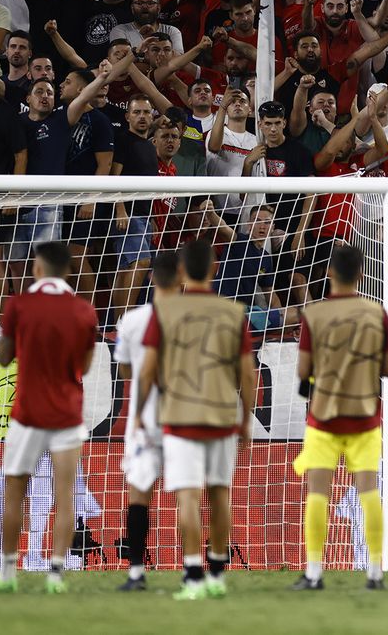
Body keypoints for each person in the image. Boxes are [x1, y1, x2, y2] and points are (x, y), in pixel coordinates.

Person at [135, 239, 258, 601]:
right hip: (221, 414)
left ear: (183, 271)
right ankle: (217, 573)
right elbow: (247, 374)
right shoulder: (233, 313)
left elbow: (147, 371)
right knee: (221, 495)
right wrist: (246, 419)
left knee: (187, 498)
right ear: (215, 269)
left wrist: (143, 412)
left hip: (180, 415)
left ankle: (192, 575)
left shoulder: (165, 311)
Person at [0, 241, 98, 595]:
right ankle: (56, 574)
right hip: (66, 415)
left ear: (37, 269)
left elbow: (3, 359)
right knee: (65, 496)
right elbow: (87, 365)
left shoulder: (19, 305)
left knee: (14, 493)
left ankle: (6, 573)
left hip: (28, 415)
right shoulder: (83, 311)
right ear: (68, 271)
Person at [290, 243, 388, 591]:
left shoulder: (314, 314)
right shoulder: (376, 314)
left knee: (318, 493)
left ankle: (314, 572)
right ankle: (376, 572)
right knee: (368, 492)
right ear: (362, 274)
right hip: (365, 415)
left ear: (329, 272)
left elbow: (303, 370)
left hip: (324, 416)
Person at [112, 250, 179, 591]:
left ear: (151, 277)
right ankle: (195, 572)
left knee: (139, 494)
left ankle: (136, 572)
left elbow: (125, 369)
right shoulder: (192, 319)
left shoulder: (132, 321)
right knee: (190, 495)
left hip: (145, 418)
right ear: (181, 278)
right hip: (185, 416)